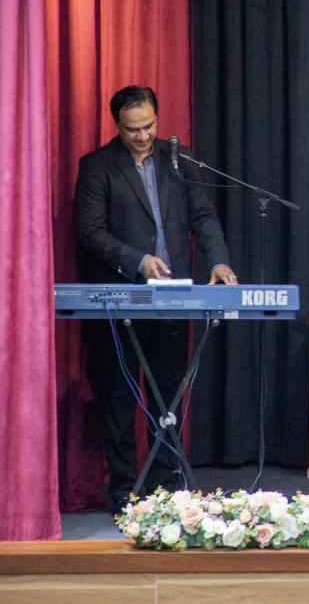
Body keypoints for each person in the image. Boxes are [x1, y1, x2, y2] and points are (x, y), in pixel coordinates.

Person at [75, 85, 238, 511]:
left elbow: (204, 216)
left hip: (172, 301)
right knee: (119, 397)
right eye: (133, 129)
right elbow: (90, 231)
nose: (143, 135)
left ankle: (165, 485)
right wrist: (138, 260)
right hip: (119, 302)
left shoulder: (178, 161)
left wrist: (219, 262)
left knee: (168, 395)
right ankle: (123, 490)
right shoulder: (97, 167)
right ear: (117, 125)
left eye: (149, 126)